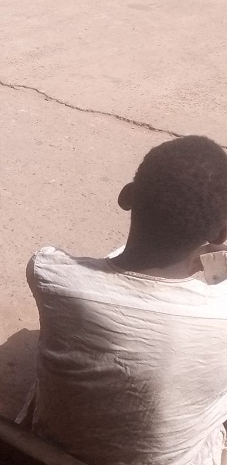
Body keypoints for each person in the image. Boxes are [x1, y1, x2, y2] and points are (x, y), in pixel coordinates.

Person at [22, 135, 227, 465]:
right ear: (219, 234)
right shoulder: (221, 315)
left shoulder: (50, 275)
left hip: (49, 451)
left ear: (128, 197)